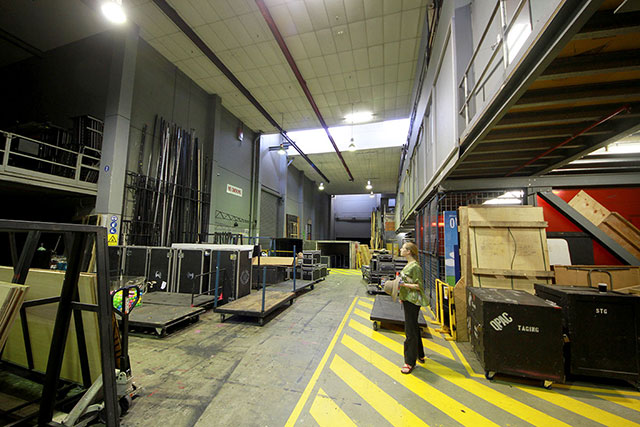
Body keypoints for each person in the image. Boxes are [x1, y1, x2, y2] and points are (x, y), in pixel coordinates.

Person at [397, 241, 427, 374]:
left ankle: (409, 362)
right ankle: (420, 354)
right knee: (414, 326)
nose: (400, 249)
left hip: (413, 301)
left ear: (409, 251)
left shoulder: (415, 267)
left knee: (409, 331)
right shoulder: (409, 264)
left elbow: (419, 286)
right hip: (407, 300)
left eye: (403, 248)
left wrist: (402, 285)